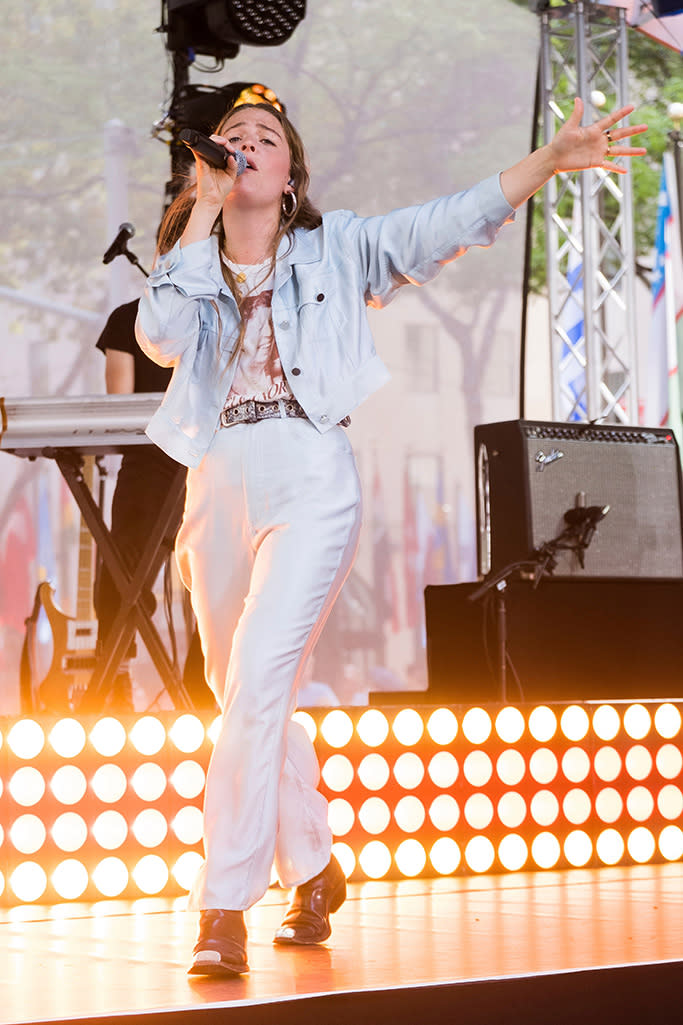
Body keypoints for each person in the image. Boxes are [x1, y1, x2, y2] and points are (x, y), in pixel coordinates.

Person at [135, 96, 647, 976]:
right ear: (210, 164)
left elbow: (449, 220)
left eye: (267, 141)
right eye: (234, 139)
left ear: (290, 177)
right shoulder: (193, 261)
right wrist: (204, 209)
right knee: (241, 692)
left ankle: (222, 907)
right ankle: (318, 869)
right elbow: (158, 338)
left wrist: (548, 160)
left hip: (309, 471)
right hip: (217, 474)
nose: (248, 145)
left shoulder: (340, 248)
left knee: (258, 679)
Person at [95, 300, 215, 712]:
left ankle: (113, 682)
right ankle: (199, 694)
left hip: (156, 466)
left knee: (120, 577)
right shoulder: (214, 312)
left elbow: (121, 408)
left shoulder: (129, 317)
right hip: (206, 461)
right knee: (213, 579)